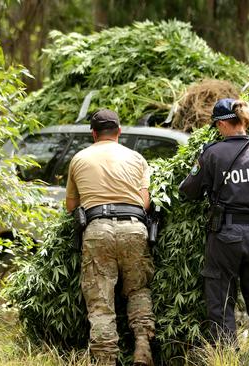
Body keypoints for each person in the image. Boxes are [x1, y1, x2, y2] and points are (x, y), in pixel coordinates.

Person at [179, 98, 249, 366]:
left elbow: (187, 191)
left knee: (221, 301)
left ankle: (227, 358)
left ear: (221, 124)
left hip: (226, 235)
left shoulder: (212, 154)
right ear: (243, 121)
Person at [65, 109, 155, 366]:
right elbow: (145, 203)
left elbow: (71, 205)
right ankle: (142, 347)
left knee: (100, 300)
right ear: (119, 131)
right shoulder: (137, 158)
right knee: (138, 288)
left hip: (97, 231)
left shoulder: (79, 158)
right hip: (134, 228)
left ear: (93, 134)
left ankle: (106, 359)